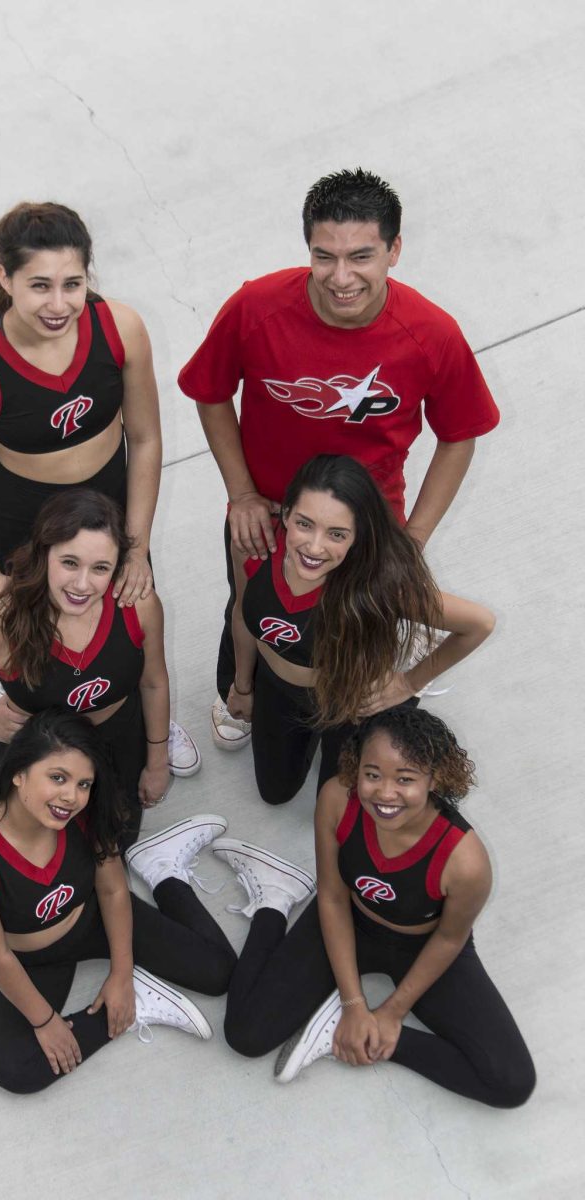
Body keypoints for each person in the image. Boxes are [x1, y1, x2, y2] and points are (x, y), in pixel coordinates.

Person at [177, 168, 499, 749]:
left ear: (394, 250)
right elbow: (210, 391)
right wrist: (242, 493)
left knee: (357, 628)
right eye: (324, 256)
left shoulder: (432, 335)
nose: (341, 277)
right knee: (252, 605)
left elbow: (459, 436)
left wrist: (414, 538)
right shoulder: (256, 308)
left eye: (361, 256)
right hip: (270, 514)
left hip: (369, 527)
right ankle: (240, 695)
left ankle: (355, 713)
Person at [0, 200, 197, 774]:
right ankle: (31, 724)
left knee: (122, 610)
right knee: (35, 633)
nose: (59, 304)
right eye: (39, 286)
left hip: (110, 505)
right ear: (5, 279)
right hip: (21, 519)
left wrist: (134, 544)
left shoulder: (120, 327)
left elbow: (146, 440)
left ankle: (131, 706)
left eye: (72, 284)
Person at [215, 706, 535, 1107]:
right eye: (372, 775)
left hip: (424, 945)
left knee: (511, 1084)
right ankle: (273, 902)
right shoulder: (336, 799)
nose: (385, 793)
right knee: (244, 1035)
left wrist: (388, 1015)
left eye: (405, 779)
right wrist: (354, 1001)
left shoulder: (466, 862)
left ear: (436, 779)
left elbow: (451, 938)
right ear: (356, 767)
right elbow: (331, 896)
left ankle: (344, 1028)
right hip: (348, 918)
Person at [0, 709, 236, 1093]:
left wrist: (120, 972)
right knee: (15, 1070)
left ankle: (164, 872)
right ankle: (140, 1004)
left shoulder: (82, 814)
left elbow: (112, 889)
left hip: (91, 920)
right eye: (58, 778)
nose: (71, 797)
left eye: (83, 784)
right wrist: (46, 1022)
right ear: (18, 772)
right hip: (31, 958)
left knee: (220, 973)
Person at [0, 490, 192, 847]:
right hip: (37, 757)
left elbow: (154, 682)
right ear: (44, 553)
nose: (82, 584)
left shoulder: (136, 604)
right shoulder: (2, 621)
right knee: (45, 855)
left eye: (100, 568)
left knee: (115, 844)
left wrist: (157, 760)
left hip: (118, 742)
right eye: (69, 562)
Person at [227, 454, 495, 804]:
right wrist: (243, 686)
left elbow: (479, 624)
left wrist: (408, 682)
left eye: (337, 534)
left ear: (358, 536)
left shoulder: (379, 584)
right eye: (305, 523)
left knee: (338, 803)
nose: (315, 546)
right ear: (286, 512)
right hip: (276, 690)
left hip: (349, 701)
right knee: (274, 793)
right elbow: (241, 614)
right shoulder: (256, 544)